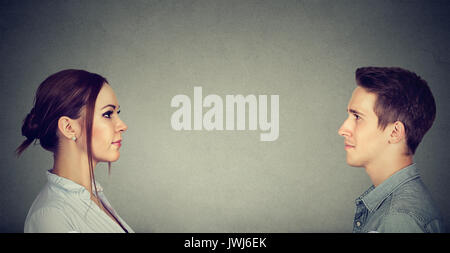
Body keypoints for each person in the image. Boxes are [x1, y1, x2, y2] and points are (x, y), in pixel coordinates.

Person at [17, 69, 134, 233]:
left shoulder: (92, 196)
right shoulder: (51, 218)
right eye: (108, 114)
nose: (123, 125)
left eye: (117, 113)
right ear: (69, 127)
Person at [338, 67, 444, 233]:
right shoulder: (398, 211)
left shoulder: (399, 219)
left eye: (357, 117)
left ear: (395, 132)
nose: (343, 129)